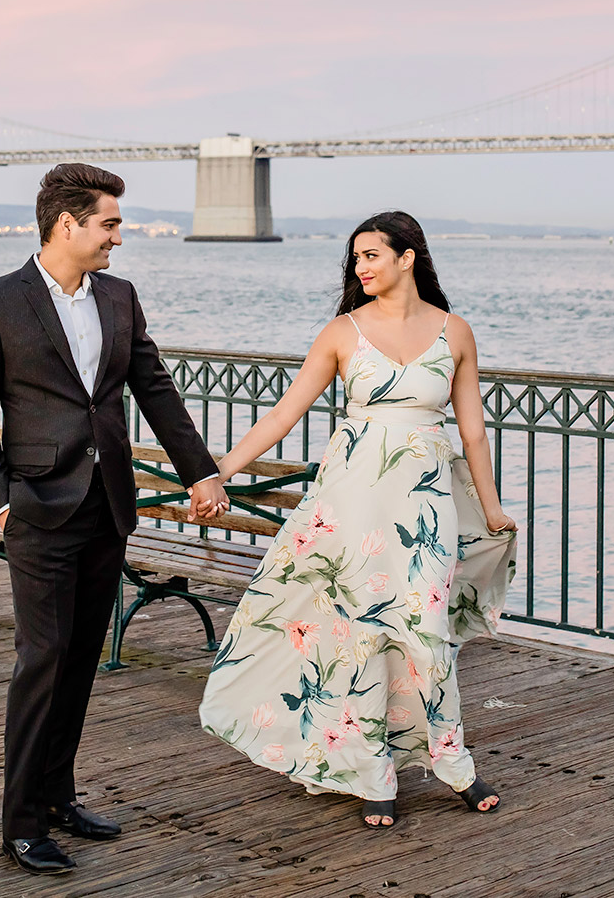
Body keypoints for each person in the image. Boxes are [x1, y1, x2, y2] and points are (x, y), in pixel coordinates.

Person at [199, 211, 518, 828]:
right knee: (357, 633)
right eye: (356, 258)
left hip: (424, 506)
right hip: (350, 505)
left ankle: (452, 759)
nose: (360, 267)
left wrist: (493, 505)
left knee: (426, 631)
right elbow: (284, 414)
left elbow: (473, 432)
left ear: (408, 257)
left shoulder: (456, 333)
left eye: (372, 255)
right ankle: (371, 770)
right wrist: (224, 471)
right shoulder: (341, 333)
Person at [0, 163, 232, 876]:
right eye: (109, 222)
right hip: (39, 510)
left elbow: (154, 387)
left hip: (108, 505)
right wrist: (1, 500)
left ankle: (57, 796)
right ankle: (19, 823)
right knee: (40, 659)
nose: (118, 236)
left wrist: (200, 468)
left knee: (79, 660)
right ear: (67, 224)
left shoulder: (119, 295)